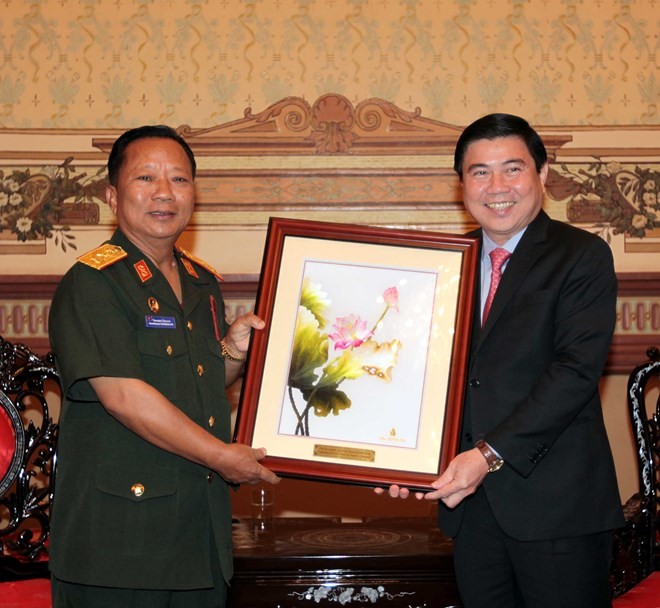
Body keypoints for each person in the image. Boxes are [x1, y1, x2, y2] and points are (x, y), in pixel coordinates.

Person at [379, 113, 624, 607]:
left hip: (556, 508)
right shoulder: (445, 267)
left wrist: (484, 457)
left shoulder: (581, 256)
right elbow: (418, 375)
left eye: (513, 169)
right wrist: (403, 457)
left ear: (543, 174)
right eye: (479, 172)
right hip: (470, 510)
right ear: (461, 184)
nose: (497, 187)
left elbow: (573, 374)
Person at [48, 125, 279, 608]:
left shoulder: (200, 283)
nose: (164, 193)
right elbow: (125, 397)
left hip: (198, 535)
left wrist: (232, 352)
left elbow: (200, 386)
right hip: (121, 545)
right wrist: (223, 456)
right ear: (112, 195)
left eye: (179, 180)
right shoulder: (93, 283)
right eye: (146, 178)